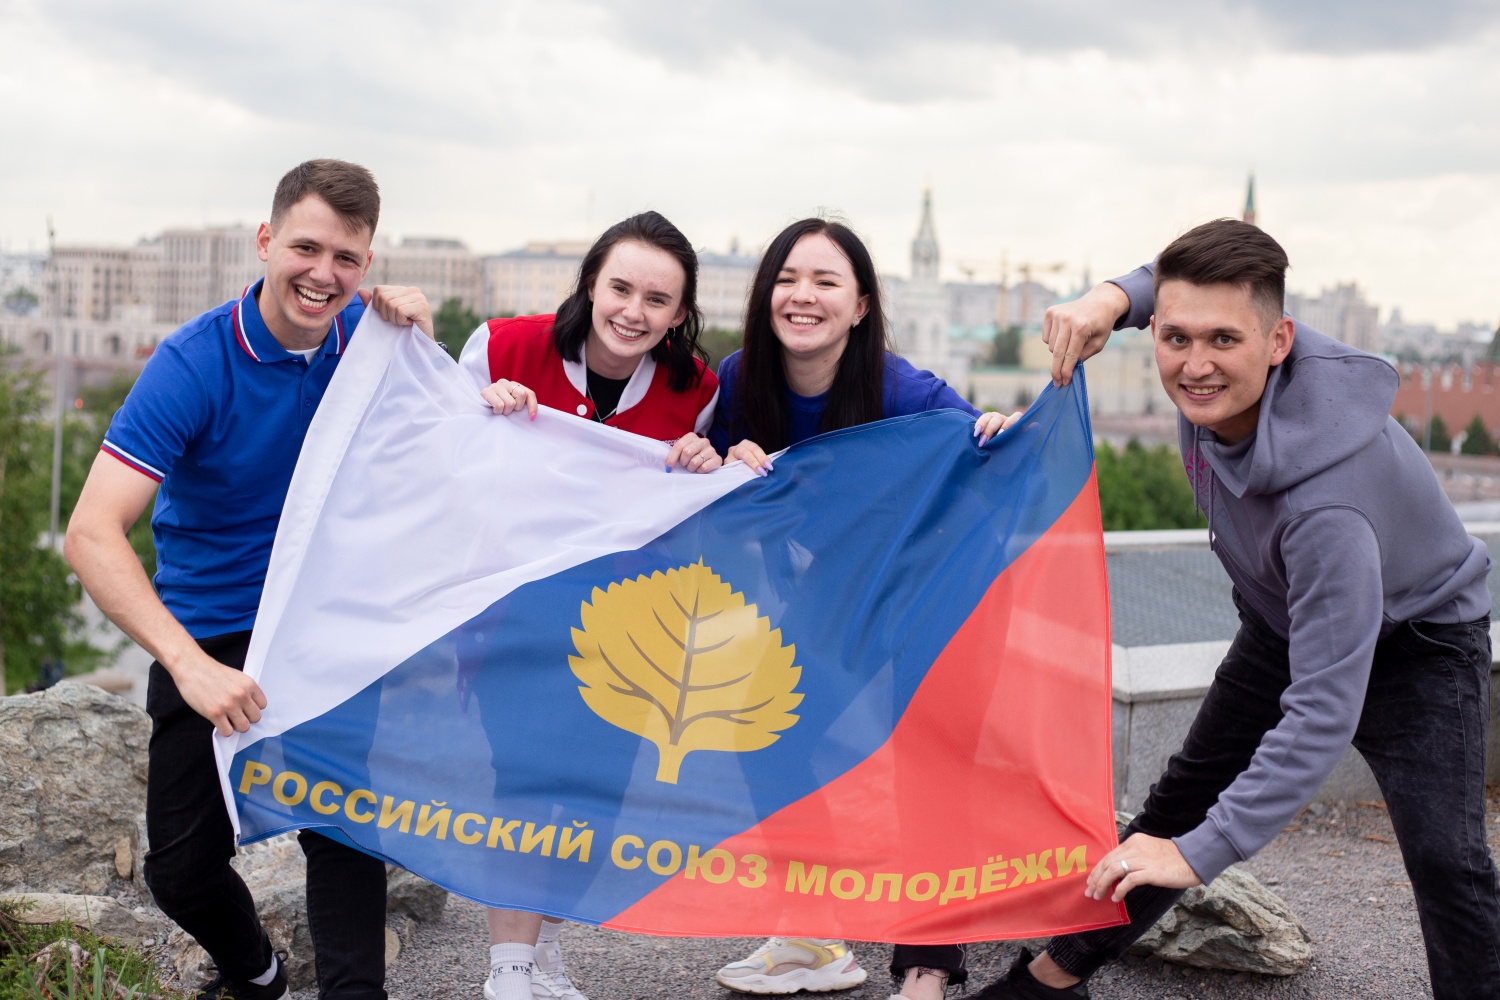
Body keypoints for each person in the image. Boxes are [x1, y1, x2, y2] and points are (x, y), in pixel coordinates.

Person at [974, 218, 1500, 999]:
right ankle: (1054, 979)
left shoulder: (1325, 509)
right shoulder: (1214, 378)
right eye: (1175, 338)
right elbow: (1168, 282)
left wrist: (1200, 854)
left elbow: (1321, 712)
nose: (1195, 365)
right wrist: (1109, 298)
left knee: (1446, 861)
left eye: (1224, 340)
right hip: (1282, 615)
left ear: (1280, 340)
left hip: (1420, 640)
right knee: (1178, 799)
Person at [65, 159, 434, 1000]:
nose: (323, 274)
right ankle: (259, 977)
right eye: (306, 248)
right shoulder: (192, 362)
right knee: (181, 869)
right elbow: (89, 534)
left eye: (346, 259)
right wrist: (188, 665)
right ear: (266, 241)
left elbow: (460, 448)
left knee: (344, 830)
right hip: (212, 629)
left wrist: (437, 357)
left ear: (367, 266)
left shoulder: (376, 345)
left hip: (327, 620)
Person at [708, 217, 1016, 1000]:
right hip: (838, 588)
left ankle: (927, 966)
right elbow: (707, 480)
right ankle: (812, 933)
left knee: (930, 763)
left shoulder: (901, 389)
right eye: (787, 279)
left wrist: (1004, 430)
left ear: (862, 305)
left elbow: (985, 446)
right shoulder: (742, 379)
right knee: (767, 729)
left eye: (825, 281)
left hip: (939, 585)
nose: (802, 296)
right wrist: (724, 461)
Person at [454, 210, 721, 1000]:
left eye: (657, 299)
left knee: (596, 794)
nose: (633, 312)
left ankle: (545, 948)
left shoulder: (695, 388)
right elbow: (434, 451)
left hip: (623, 624)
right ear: (591, 284)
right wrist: (481, 410)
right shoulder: (503, 347)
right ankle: (507, 964)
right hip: (512, 611)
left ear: (680, 313)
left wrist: (703, 458)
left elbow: (693, 502)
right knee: (523, 780)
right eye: (621, 288)